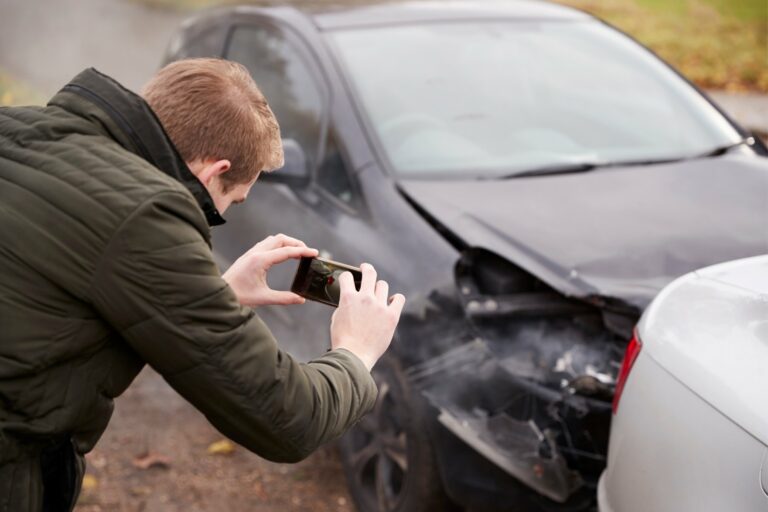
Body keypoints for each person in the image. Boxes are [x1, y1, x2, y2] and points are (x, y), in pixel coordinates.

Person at [0, 58, 405, 512]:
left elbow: (63, 282)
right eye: (228, 203)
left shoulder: (16, 130)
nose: (221, 216)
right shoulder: (146, 218)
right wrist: (356, 351)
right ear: (215, 171)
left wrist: (215, 293)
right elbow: (288, 419)